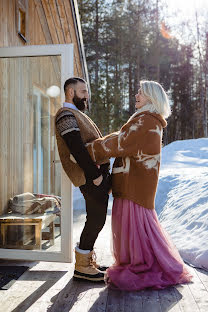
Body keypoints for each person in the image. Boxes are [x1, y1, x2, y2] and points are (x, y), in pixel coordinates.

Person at [86, 80, 192, 290]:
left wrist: (90, 149)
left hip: (134, 185)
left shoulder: (146, 121)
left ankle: (142, 266)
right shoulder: (149, 120)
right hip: (135, 183)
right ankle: (140, 262)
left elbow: (121, 142)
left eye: (140, 93)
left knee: (137, 227)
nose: (136, 95)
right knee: (139, 227)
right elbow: (125, 141)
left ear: (151, 98)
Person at [55, 77, 111, 282]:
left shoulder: (75, 114)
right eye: (83, 91)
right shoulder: (65, 115)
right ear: (70, 92)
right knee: (96, 219)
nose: (87, 95)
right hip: (89, 176)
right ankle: (82, 266)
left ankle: (86, 261)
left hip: (94, 175)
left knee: (97, 218)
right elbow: (76, 148)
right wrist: (94, 175)